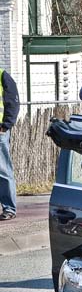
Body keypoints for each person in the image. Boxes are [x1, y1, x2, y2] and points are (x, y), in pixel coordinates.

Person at [0, 69, 19, 220]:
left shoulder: (2, 75)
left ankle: (9, 208)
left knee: (3, 171)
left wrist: (6, 125)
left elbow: (13, 101)